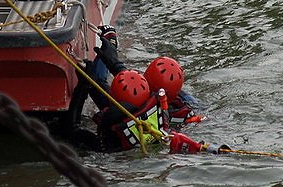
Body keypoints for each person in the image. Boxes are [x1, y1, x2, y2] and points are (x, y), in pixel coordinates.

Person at [68, 27, 201, 151]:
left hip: (118, 150)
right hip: (151, 141)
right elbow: (132, 83)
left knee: (97, 83)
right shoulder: (165, 108)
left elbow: (71, 130)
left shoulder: (109, 138)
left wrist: (82, 87)